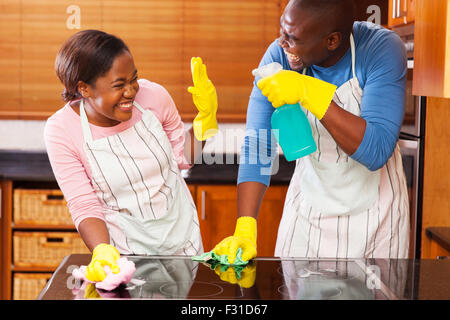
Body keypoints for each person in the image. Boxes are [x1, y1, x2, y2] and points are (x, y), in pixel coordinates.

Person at [212, 0, 410, 263]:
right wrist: (245, 227)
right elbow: (259, 144)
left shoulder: (380, 48)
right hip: (308, 217)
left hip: (376, 220)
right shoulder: (280, 55)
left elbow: (376, 151)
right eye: (282, 31)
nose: (282, 43)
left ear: (332, 40)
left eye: (292, 38)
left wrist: (308, 92)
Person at [44, 30, 218, 281]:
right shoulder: (62, 130)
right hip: (124, 258)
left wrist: (204, 123)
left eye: (133, 79)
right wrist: (102, 250)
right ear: (84, 89)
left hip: (182, 242)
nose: (131, 91)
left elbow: (183, 158)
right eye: (118, 85)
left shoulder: (154, 96)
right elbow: (84, 203)